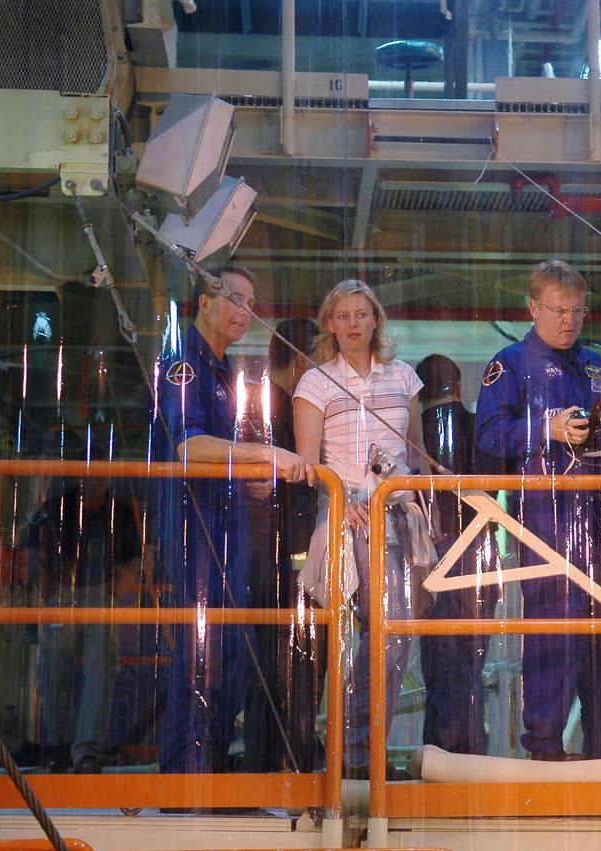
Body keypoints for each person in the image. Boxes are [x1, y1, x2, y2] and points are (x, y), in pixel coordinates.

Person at [474, 260, 601, 761]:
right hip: (546, 514)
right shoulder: (509, 363)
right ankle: (546, 747)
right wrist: (546, 429)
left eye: (577, 311)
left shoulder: (599, 364)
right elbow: (487, 436)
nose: (569, 320)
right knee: (555, 629)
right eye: (558, 310)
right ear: (533, 308)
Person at [150, 265, 313, 775]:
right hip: (192, 526)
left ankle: (212, 769)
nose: (245, 311)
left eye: (251, 302)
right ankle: (188, 777)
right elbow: (187, 446)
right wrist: (260, 452)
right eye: (234, 298)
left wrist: (253, 474)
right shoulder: (183, 363)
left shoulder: (225, 372)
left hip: (228, 526)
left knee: (228, 657)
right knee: (204, 651)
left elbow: (221, 454)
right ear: (203, 302)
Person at [292, 279, 427, 779]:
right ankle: (351, 754)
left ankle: (362, 750)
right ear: (330, 323)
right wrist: (340, 498)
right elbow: (308, 463)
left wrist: (414, 491)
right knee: (357, 638)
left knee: (395, 636)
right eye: (342, 315)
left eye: (361, 314)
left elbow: (415, 453)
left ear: (376, 320)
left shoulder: (404, 377)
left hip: (398, 515)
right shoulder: (315, 382)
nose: (352, 323)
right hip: (346, 520)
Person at [243, 318, 325, 774]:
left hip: (261, 550)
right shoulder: (282, 410)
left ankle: (275, 754)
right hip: (283, 549)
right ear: (299, 358)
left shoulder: (254, 402)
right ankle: (288, 754)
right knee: (294, 659)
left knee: (277, 660)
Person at [29, 476, 141, 774]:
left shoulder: (120, 513)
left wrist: (113, 593)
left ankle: (84, 752)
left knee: (100, 667)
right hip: (64, 595)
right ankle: (59, 747)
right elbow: (37, 557)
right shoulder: (56, 509)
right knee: (54, 667)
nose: (99, 478)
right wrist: (50, 595)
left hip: (99, 595)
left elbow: (133, 563)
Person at [416, 353, 498, 755]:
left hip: (436, 552)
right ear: (460, 387)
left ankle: (446, 752)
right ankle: (469, 749)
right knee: (470, 660)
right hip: (482, 549)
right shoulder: (480, 428)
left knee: (441, 661)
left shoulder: (413, 435)